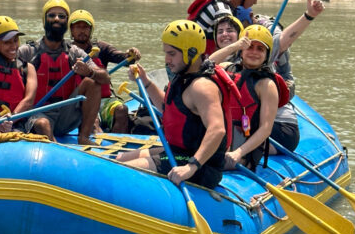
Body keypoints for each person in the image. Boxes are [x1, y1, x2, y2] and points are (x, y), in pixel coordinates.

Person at [117, 20, 239, 190]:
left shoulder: (202, 87)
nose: (167, 60)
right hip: (179, 152)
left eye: (172, 54)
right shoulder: (184, 77)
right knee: (119, 159)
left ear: (192, 52)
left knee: (121, 171)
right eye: (166, 53)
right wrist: (145, 81)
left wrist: (192, 166)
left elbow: (217, 130)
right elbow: (168, 109)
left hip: (200, 165)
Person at [16, 0, 104, 145]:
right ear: (44, 20)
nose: (56, 19)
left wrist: (89, 72)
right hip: (38, 114)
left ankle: (83, 137)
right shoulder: (28, 51)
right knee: (43, 124)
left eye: (61, 16)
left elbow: (105, 78)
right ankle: (56, 149)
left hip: (65, 115)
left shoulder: (74, 51)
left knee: (93, 82)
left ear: (66, 22)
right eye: (51, 15)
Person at [222, 23, 293, 171]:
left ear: (267, 55)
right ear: (241, 51)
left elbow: (266, 129)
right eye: (249, 47)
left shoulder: (267, 85)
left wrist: (238, 153)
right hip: (223, 141)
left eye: (260, 49)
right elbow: (206, 65)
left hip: (244, 151)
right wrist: (234, 46)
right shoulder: (227, 68)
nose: (254, 52)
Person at [68, 8, 141, 134]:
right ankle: (97, 146)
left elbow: (123, 58)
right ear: (72, 30)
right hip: (80, 101)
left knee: (121, 109)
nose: (81, 30)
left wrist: (131, 55)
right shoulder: (67, 50)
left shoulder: (101, 47)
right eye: (77, 27)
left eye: (85, 27)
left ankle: (117, 145)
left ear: (91, 30)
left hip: (104, 100)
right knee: (93, 120)